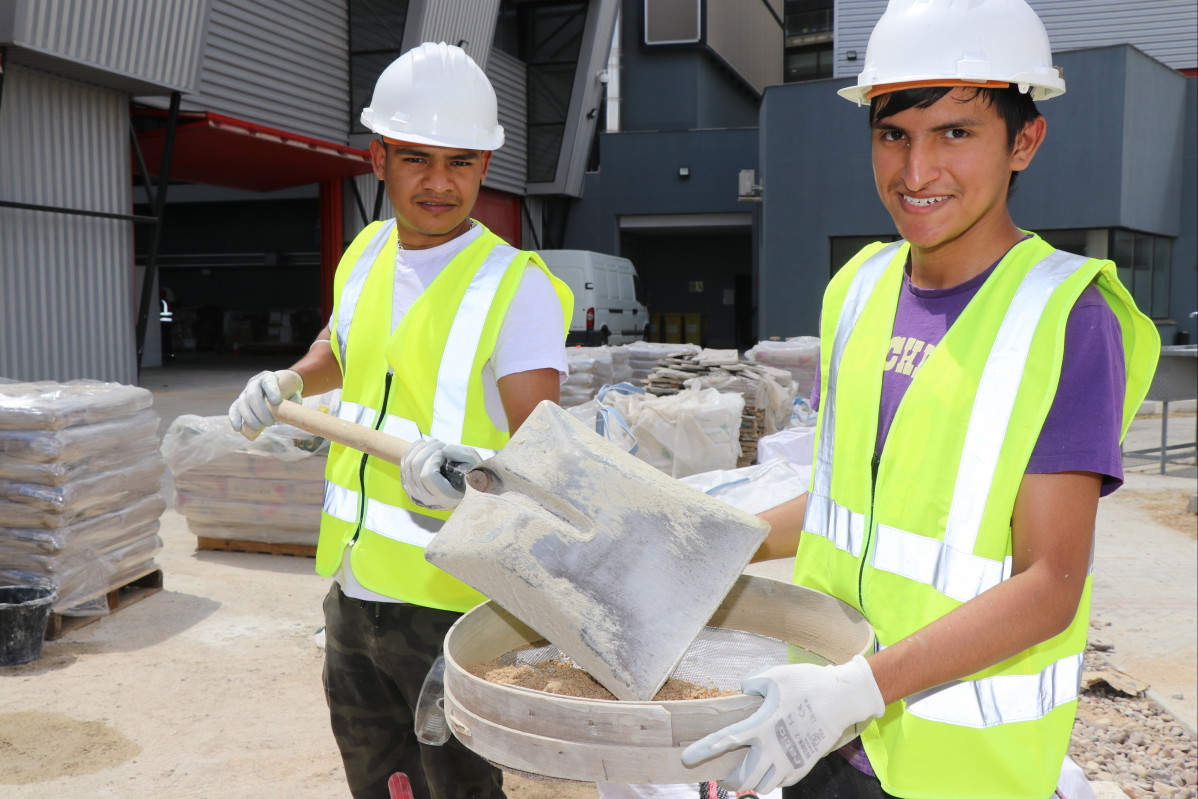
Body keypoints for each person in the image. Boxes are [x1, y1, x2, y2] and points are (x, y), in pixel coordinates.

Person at [681, 1, 1159, 797]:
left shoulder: (1066, 318)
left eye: (956, 133)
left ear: (1025, 141)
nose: (915, 172)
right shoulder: (858, 289)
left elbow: (1050, 580)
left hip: (953, 764)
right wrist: (705, 543)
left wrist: (859, 686)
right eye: (893, 133)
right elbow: (847, 502)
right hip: (822, 727)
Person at [227, 41, 572, 799]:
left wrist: (473, 470)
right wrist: (290, 377)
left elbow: (545, 455)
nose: (441, 184)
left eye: (462, 162)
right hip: (353, 589)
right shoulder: (367, 250)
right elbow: (341, 346)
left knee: (459, 788)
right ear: (378, 157)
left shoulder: (517, 290)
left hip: (450, 603)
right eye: (417, 158)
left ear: (487, 164)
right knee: (378, 780)